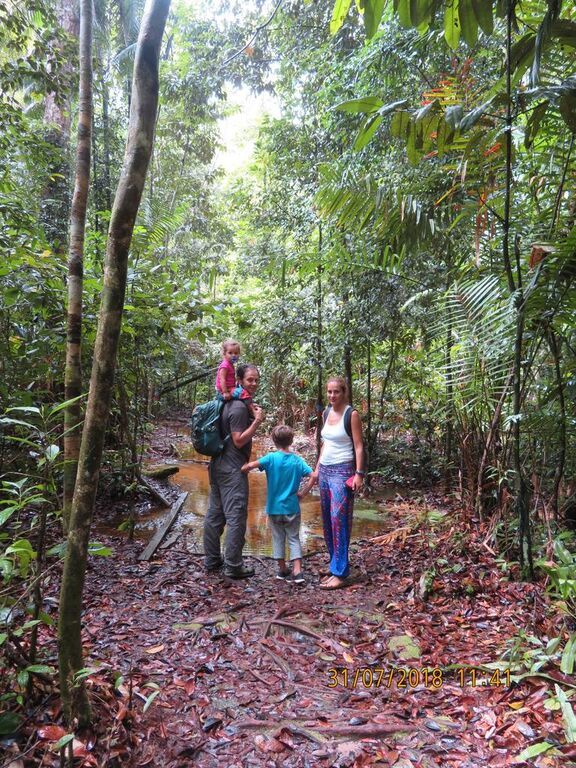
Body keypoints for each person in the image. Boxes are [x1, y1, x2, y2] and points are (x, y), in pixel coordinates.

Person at [203, 363, 265, 579]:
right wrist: (256, 421)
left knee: (215, 514)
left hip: (217, 464)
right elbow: (238, 440)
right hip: (231, 468)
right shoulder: (238, 407)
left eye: (256, 379)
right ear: (238, 380)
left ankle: (212, 560)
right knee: (236, 516)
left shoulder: (225, 403)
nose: (254, 383)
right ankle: (233, 566)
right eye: (250, 380)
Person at [241, 425, 315, 585]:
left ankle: (282, 570)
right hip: (292, 508)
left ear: (274, 441)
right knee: (294, 538)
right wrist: (303, 493)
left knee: (278, 538)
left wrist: (242, 469)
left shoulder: (270, 458)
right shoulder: (297, 460)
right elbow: (313, 476)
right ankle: (297, 571)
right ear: (292, 440)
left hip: (274, 508)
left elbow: (249, 467)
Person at [313, 376, 365, 590]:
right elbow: (325, 443)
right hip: (325, 471)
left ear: (344, 392)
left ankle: (341, 573)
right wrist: (317, 469)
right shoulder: (326, 412)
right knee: (327, 520)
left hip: (342, 472)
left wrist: (359, 474)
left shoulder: (351, 415)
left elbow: (359, 446)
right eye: (329, 392)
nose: (332, 396)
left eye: (336, 392)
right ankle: (335, 563)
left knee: (339, 520)